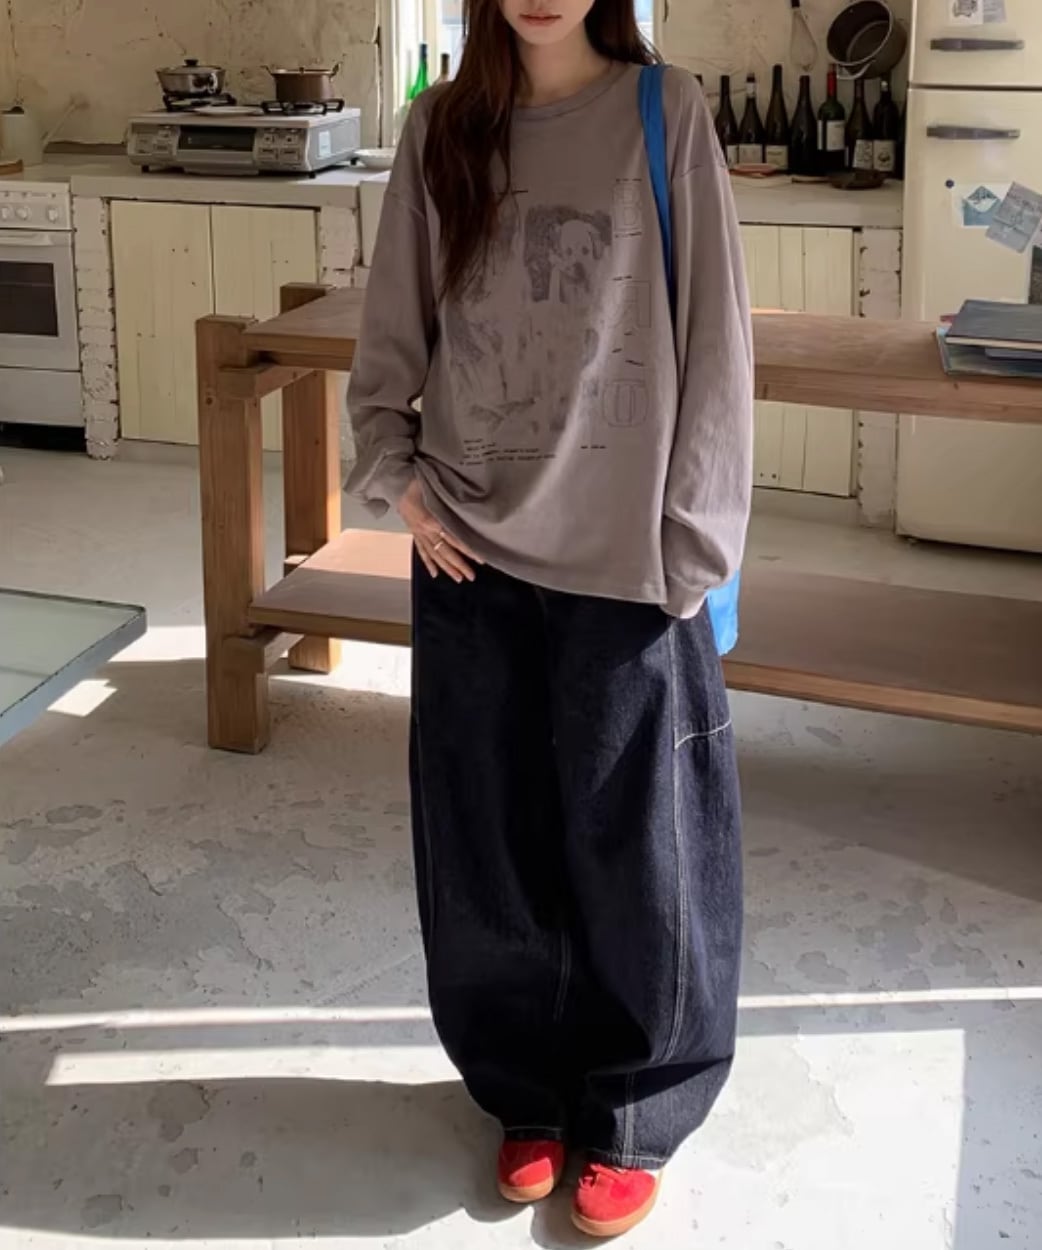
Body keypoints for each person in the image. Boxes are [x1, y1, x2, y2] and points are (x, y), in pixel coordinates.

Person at [347, 0, 752, 1237]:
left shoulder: (664, 112)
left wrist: (695, 535)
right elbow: (393, 323)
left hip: (625, 544)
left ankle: (636, 1101)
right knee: (486, 829)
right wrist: (396, 476)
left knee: (642, 842)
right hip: (467, 542)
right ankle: (521, 1082)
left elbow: (717, 336)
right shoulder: (440, 128)